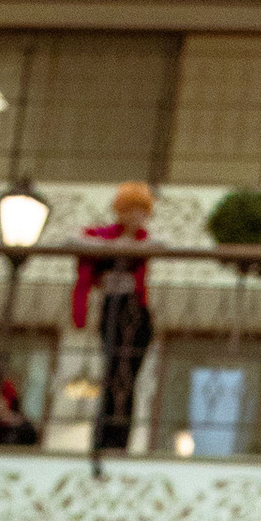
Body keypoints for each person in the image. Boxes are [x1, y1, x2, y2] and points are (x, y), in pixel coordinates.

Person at [71, 179, 155, 454]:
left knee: (128, 377)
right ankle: (105, 438)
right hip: (113, 309)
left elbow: (157, 247)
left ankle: (119, 439)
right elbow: (75, 242)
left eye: (140, 210)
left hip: (136, 313)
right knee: (113, 373)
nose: (135, 216)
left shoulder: (144, 240)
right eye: (130, 209)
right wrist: (112, 246)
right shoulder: (103, 235)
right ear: (120, 210)